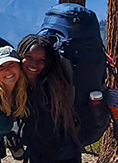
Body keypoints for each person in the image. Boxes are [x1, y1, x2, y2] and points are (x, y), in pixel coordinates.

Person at [17, 34, 81, 163]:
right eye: (29, 57)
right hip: (61, 152)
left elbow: (48, 136)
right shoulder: (25, 85)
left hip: (58, 155)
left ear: (48, 62)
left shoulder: (49, 91)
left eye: (41, 60)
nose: (34, 64)